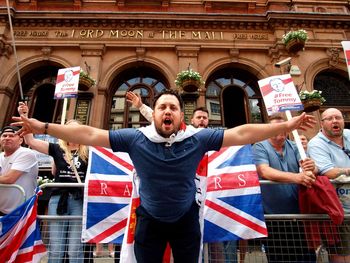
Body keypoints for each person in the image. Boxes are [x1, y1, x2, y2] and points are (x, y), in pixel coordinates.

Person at [13, 89, 315, 263]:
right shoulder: (135, 138)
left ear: (179, 116)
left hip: (186, 221)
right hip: (149, 221)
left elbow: (242, 132)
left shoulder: (197, 139)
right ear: (153, 113)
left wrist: (286, 127)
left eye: (172, 107)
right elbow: (89, 133)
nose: (167, 111)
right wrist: (43, 127)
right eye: (161, 107)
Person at [18, 102, 90, 263]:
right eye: (68, 129)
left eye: (76, 130)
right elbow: (31, 141)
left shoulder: (89, 151)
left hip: (79, 200)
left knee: (74, 249)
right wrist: (25, 116)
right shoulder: (57, 148)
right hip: (57, 199)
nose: (72, 133)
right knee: (56, 247)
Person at [252, 113, 317, 263]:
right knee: (279, 258)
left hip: (299, 215)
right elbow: (264, 171)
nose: (280, 133)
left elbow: (309, 169)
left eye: (283, 129)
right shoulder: (259, 146)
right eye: (276, 129)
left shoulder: (295, 146)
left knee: (306, 257)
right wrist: (296, 177)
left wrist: (312, 167)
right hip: (274, 217)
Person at [308, 108, 350, 263]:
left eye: (338, 117)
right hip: (340, 211)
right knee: (343, 256)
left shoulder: (349, 134)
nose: (335, 121)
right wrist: (347, 170)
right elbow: (329, 172)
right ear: (322, 123)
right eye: (330, 118)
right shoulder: (316, 144)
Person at [0, 125, 38, 215]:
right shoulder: (0, 156)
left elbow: (9, 179)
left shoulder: (26, 153)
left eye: (12, 136)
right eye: (4, 136)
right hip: (2, 209)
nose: (7, 138)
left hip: (21, 211)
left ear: (21, 140)